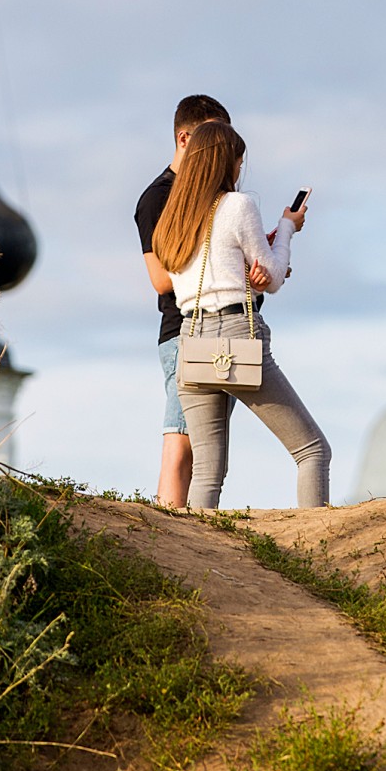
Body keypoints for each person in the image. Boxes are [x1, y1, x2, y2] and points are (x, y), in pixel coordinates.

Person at [152, 121, 327, 509]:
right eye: (239, 161)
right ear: (225, 162)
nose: (239, 169)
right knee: (313, 451)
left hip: (191, 340)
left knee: (207, 472)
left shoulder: (172, 220)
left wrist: (252, 270)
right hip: (235, 331)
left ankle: (193, 548)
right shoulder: (238, 205)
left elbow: (207, 272)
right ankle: (320, 545)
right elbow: (274, 277)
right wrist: (287, 228)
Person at [135, 94, 232, 506]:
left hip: (221, 330)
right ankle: (166, 532)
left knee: (207, 452)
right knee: (182, 443)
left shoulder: (213, 194)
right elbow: (160, 279)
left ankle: (189, 530)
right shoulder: (158, 197)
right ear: (184, 138)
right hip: (185, 331)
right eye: (213, 138)